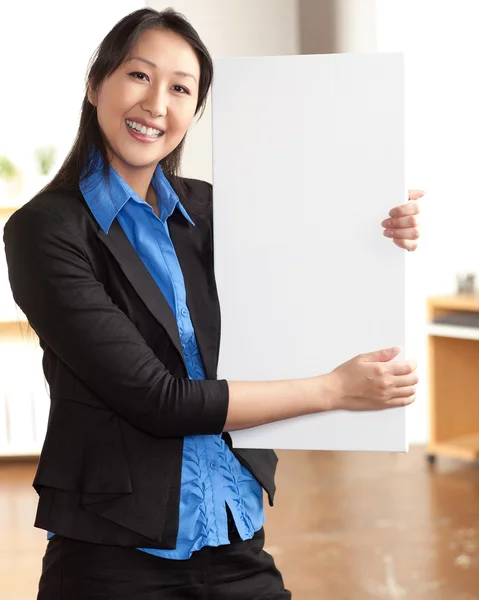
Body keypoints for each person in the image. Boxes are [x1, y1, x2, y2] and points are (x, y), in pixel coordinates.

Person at [3, 7, 424, 600]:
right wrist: (335, 389)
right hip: (113, 557)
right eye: (139, 76)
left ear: (194, 112)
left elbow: (310, 265)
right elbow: (157, 399)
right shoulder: (45, 230)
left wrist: (381, 227)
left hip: (234, 537)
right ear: (96, 84)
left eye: (180, 88)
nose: (156, 105)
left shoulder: (210, 210)